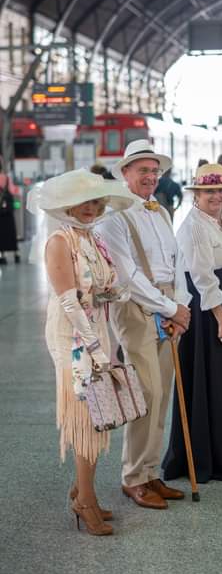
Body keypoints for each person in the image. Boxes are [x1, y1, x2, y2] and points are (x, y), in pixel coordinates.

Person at [34, 169, 135, 535]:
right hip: (73, 339)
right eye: (85, 201)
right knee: (86, 417)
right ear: (68, 204)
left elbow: (99, 287)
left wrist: (115, 293)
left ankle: (82, 489)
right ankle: (85, 500)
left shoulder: (92, 239)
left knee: (98, 411)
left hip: (97, 333)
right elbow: (69, 301)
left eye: (96, 201)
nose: (91, 208)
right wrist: (93, 345)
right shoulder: (60, 241)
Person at [98, 140, 192, 509]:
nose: (151, 177)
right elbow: (129, 274)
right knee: (147, 392)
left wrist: (180, 305)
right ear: (125, 174)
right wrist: (170, 308)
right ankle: (133, 476)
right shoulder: (114, 217)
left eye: (154, 171)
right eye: (143, 171)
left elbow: (177, 261)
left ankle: (151, 472)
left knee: (163, 394)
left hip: (169, 305)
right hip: (138, 308)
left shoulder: (163, 212)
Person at [162, 163, 222, 483]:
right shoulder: (194, 227)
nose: (216, 196)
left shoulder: (217, 221)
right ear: (197, 195)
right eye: (208, 192)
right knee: (213, 379)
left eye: (220, 190)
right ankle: (214, 455)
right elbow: (202, 279)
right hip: (209, 312)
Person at [0, 161, 19, 264]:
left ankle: (2, 256)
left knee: (1, 233)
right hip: (8, 210)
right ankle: (16, 254)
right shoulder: (6, 178)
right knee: (11, 231)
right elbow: (13, 191)